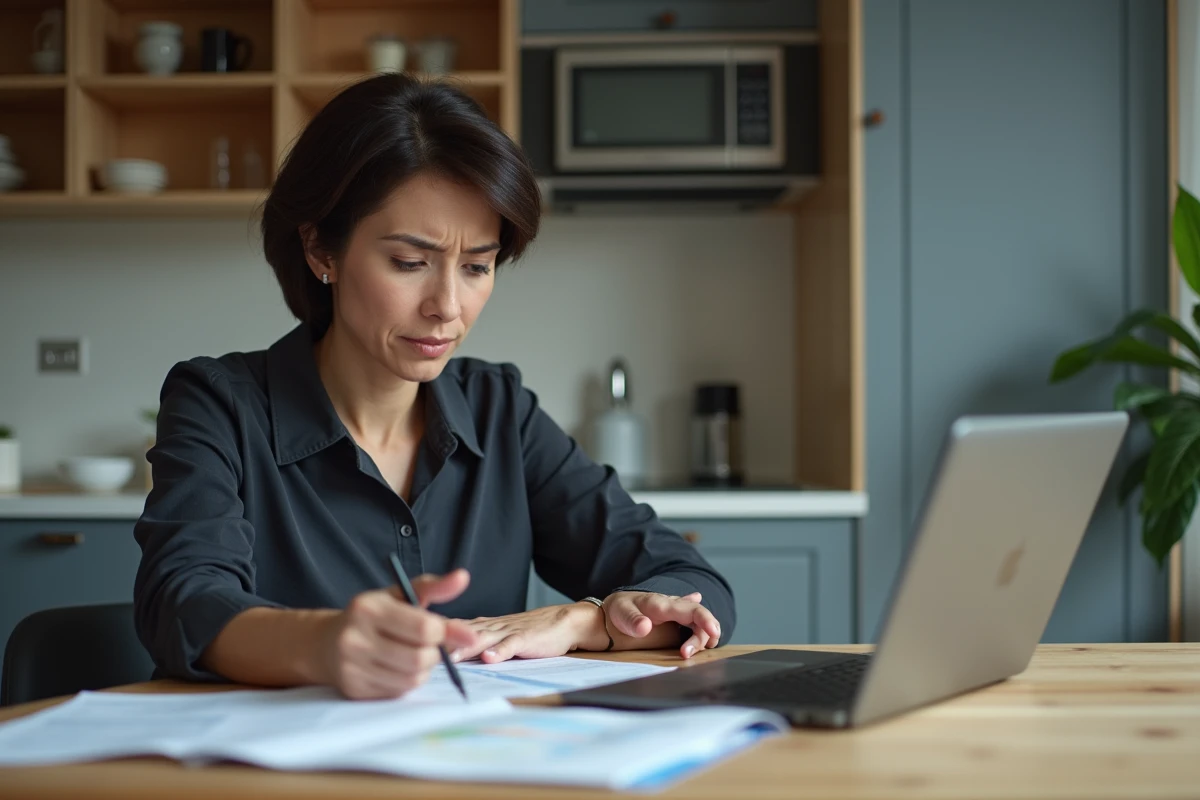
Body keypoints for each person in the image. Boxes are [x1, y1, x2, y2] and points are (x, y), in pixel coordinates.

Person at [133, 73, 735, 701]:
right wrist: (325, 642)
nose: (447, 306)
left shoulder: (500, 410)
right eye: (409, 262)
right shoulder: (219, 402)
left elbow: (692, 586)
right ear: (321, 250)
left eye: (477, 266)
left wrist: (584, 619)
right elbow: (183, 604)